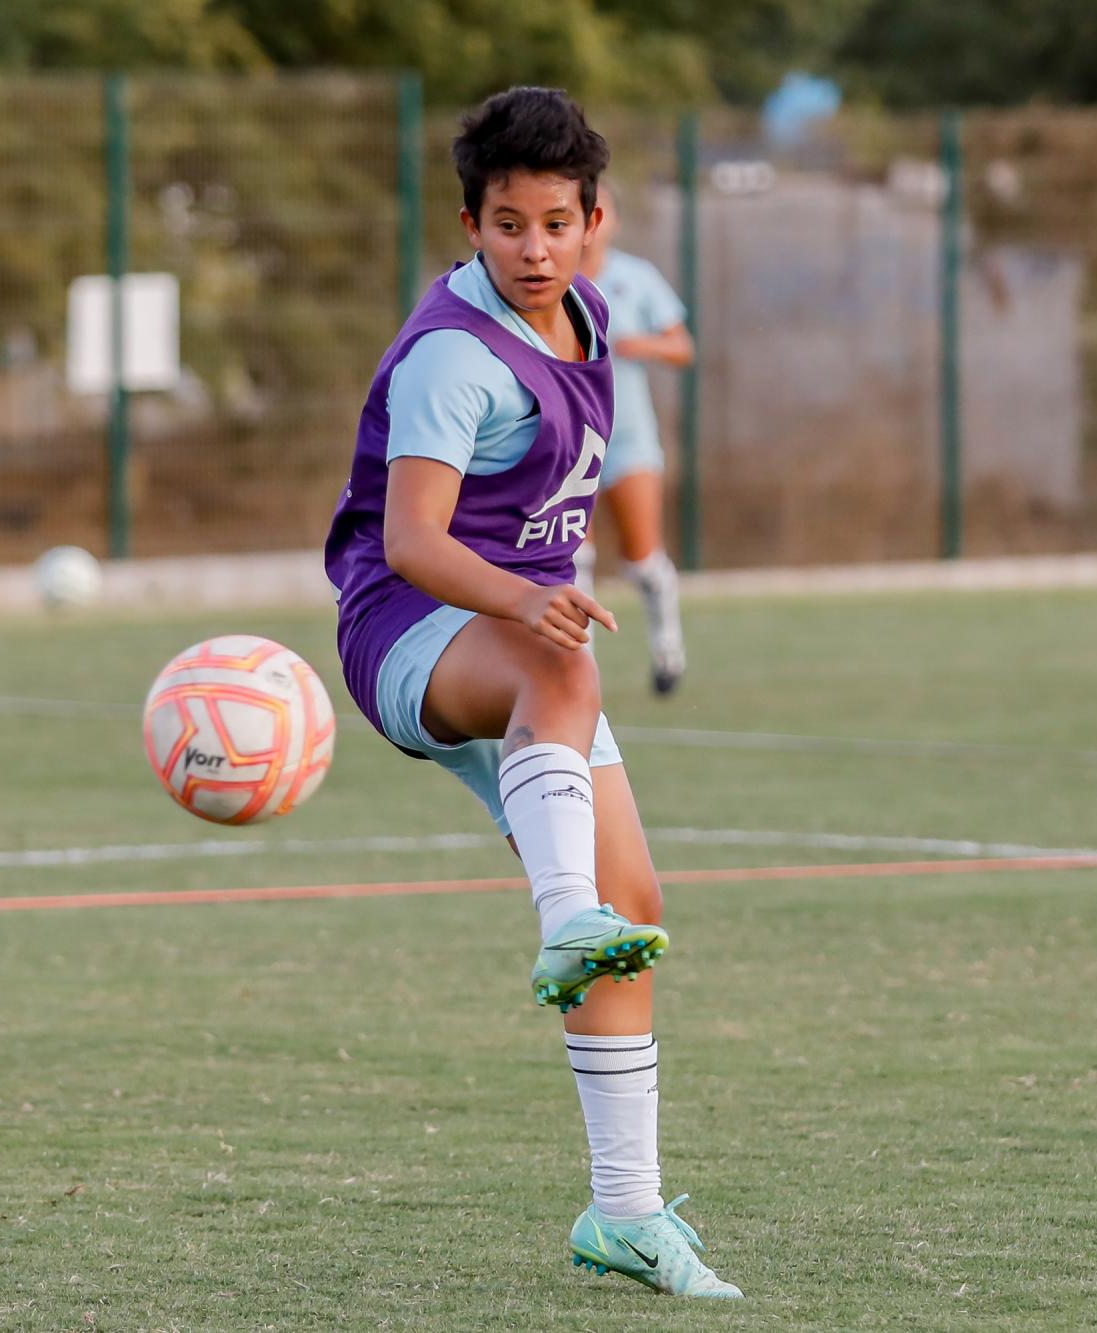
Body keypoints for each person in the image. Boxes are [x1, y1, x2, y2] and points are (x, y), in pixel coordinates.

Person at [323, 87, 741, 1298]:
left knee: (637, 901)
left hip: (522, 638)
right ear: (470, 225)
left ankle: (623, 1215)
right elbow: (409, 538)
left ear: (595, 220)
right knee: (566, 673)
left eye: (556, 222)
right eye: (507, 225)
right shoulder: (454, 354)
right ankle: (563, 918)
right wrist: (522, 599)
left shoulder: (592, 319)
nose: (534, 248)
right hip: (413, 632)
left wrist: (535, 596)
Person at [574, 182, 696, 695]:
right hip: (567, 447)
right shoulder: (545, 280)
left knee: (642, 560)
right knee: (572, 560)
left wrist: (636, 343)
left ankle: (668, 649)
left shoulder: (634, 277)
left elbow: (682, 347)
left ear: (613, 221)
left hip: (628, 441)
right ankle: (580, 670)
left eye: (602, 211)